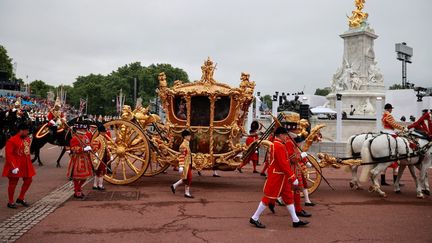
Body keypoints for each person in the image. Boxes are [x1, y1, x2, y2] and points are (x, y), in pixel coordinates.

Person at [249, 127, 309, 229]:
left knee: (288, 197)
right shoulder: (279, 146)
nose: (286, 137)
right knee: (268, 197)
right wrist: (292, 176)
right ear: (281, 135)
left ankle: (295, 220)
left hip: (281, 176)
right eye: (285, 135)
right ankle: (254, 217)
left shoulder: (277, 144)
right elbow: (283, 163)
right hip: (277, 176)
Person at [2, 123, 35, 209]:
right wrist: (14, 166)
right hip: (15, 165)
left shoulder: (27, 139)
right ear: (21, 131)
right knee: (13, 183)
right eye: (26, 131)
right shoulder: (12, 140)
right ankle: (10, 201)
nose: (28, 133)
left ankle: (20, 198)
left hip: (25, 164)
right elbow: (9, 154)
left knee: (29, 180)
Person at [381, 103, 406, 186]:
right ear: (388, 109)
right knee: (398, 143)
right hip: (390, 132)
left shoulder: (383, 115)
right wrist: (402, 128)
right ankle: (396, 181)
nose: (391, 110)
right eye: (391, 108)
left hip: (384, 131)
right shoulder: (389, 115)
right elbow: (393, 124)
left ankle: (383, 180)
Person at [67, 120, 94, 199]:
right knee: (77, 177)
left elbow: (89, 145)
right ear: (80, 129)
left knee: (85, 177)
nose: (85, 130)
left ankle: (78, 189)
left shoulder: (85, 137)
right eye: (84, 129)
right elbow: (74, 149)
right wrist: (83, 149)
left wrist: (91, 148)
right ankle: (77, 191)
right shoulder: (75, 138)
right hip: (78, 159)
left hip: (85, 158)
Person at [170, 130, 194, 198]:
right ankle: (186, 193)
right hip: (185, 164)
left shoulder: (187, 144)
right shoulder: (183, 145)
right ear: (185, 136)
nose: (190, 137)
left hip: (188, 163)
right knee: (189, 177)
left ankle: (174, 186)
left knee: (186, 178)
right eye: (189, 136)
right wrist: (181, 166)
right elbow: (181, 156)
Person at [91, 124, 111, 190]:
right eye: (103, 132)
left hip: (103, 157)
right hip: (99, 158)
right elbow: (94, 149)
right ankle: (100, 185)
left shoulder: (103, 139)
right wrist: (96, 156)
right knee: (100, 172)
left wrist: (109, 154)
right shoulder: (97, 139)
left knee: (99, 172)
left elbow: (106, 148)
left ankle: (95, 185)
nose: (105, 133)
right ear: (100, 132)